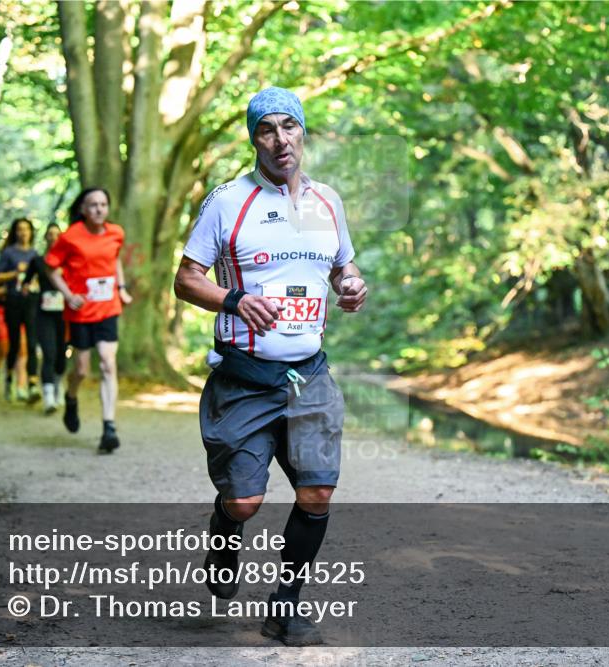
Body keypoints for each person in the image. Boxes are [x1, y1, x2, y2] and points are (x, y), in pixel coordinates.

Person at [173, 87, 367, 646]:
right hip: (244, 378)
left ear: (302, 132)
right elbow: (186, 279)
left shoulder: (327, 201)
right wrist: (234, 301)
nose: (280, 139)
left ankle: (285, 606)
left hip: (309, 375)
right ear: (254, 139)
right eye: (267, 129)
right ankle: (225, 528)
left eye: (289, 126)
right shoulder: (227, 202)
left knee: (317, 493)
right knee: (244, 502)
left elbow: (343, 266)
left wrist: (352, 284)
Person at [45, 189, 133, 452]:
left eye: (103, 204)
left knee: (107, 363)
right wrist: (68, 295)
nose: (98, 209)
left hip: (108, 307)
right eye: (93, 205)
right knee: (82, 370)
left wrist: (121, 288)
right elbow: (51, 269)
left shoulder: (116, 233)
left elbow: (115, 260)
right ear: (83, 209)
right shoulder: (70, 237)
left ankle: (109, 427)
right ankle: (71, 396)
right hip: (81, 311)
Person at [0, 218, 40, 403]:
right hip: (12, 302)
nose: (23, 232)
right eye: (20, 229)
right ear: (15, 232)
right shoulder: (9, 253)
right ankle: (9, 378)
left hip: (31, 302)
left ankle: (32, 383)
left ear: (31, 232)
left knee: (31, 343)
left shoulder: (35, 254)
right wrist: (15, 272)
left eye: (26, 229)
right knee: (14, 344)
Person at [26, 223, 68, 414]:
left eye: (56, 234)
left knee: (61, 357)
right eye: (50, 234)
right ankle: (49, 398)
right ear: (45, 238)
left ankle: (57, 386)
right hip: (44, 314)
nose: (53, 237)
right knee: (49, 353)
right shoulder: (38, 261)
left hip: (64, 314)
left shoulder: (69, 260)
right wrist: (28, 290)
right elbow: (26, 283)